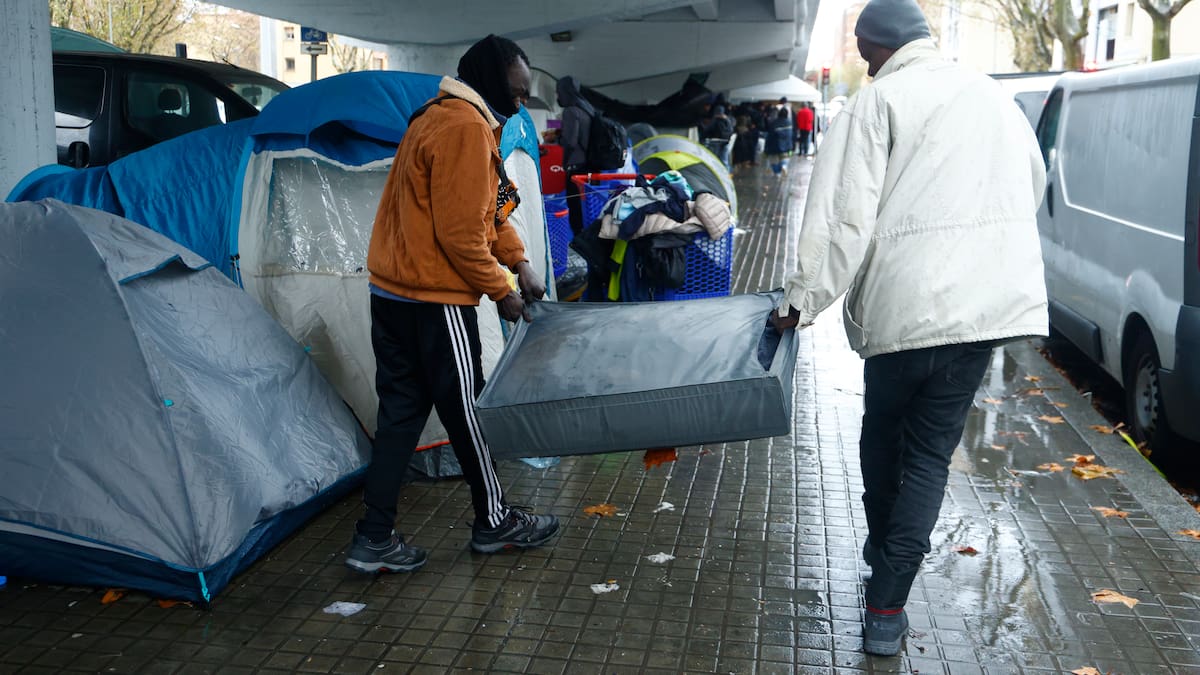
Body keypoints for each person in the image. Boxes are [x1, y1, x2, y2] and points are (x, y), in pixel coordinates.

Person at [770, 0, 1048, 656]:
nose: (864, 64)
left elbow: (842, 217)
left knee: (882, 440)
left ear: (876, 45)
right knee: (929, 457)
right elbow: (1029, 185)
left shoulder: (878, 102)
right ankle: (887, 606)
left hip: (906, 310)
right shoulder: (994, 98)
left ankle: (884, 557)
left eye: (864, 51)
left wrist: (800, 302)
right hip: (979, 315)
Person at [346, 34, 560, 575]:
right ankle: (495, 521)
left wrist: (521, 262)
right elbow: (462, 236)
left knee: (399, 416)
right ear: (490, 80)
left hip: (392, 295)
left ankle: (373, 537)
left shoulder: (436, 116)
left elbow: (492, 211)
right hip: (434, 300)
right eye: (517, 92)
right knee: (469, 411)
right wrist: (503, 292)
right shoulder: (465, 128)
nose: (521, 103)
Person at [556, 75, 593, 234]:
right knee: (588, 208)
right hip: (590, 166)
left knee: (575, 208)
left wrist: (558, 139)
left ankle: (578, 240)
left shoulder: (570, 111)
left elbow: (570, 142)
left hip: (575, 167)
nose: (558, 96)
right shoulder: (588, 109)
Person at [765, 107, 794, 176]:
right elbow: (793, 135)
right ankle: (784, 166)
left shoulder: (774, 123)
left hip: (775, 145)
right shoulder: (789, 123)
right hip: (787, 145)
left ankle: (777, 173)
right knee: (785, 158)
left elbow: (769, 136)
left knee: (773, 160)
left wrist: (766, 149)